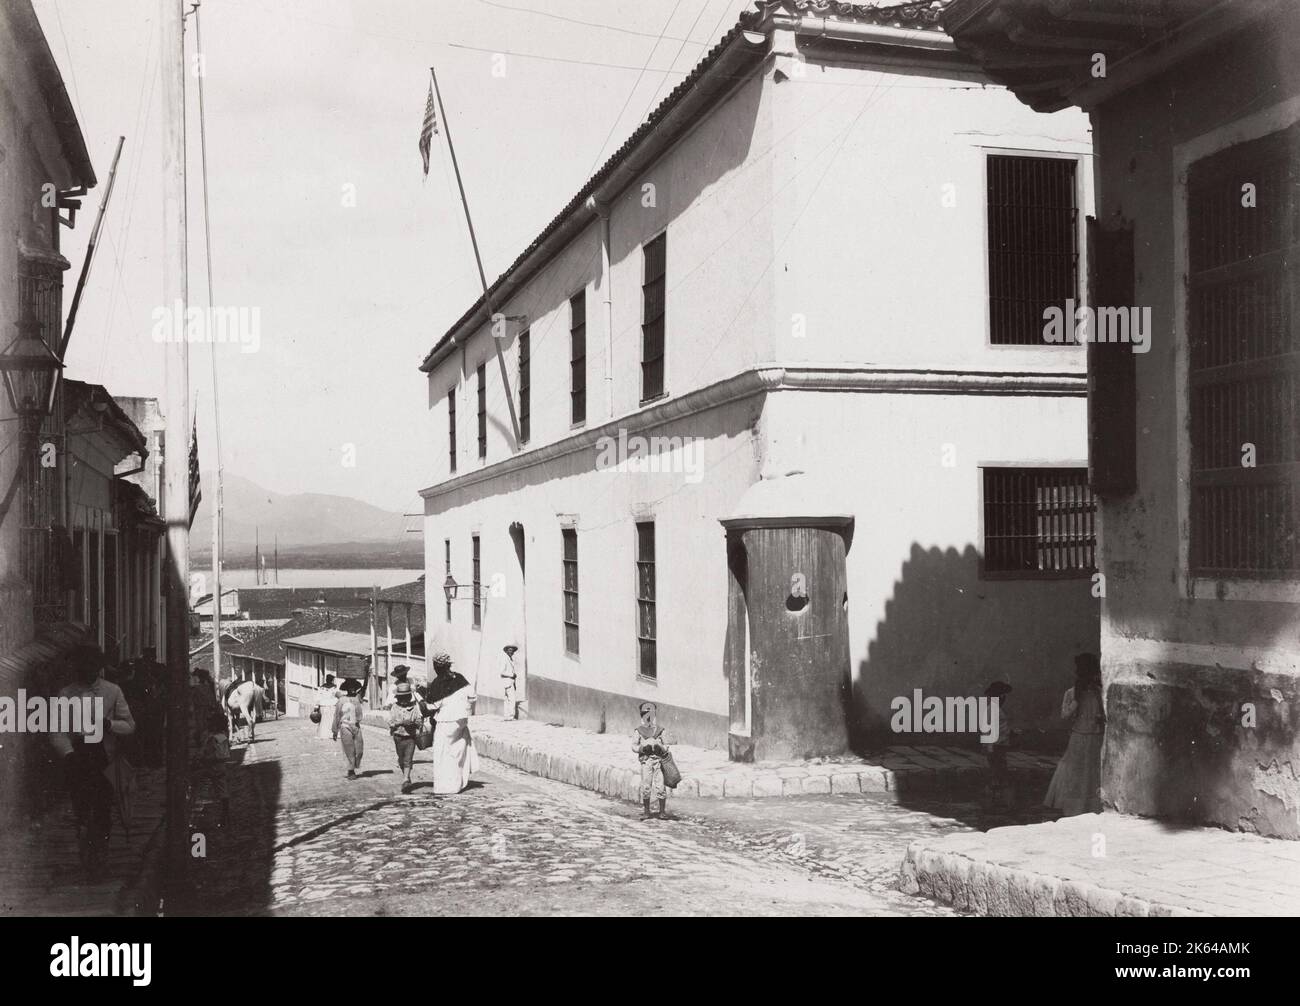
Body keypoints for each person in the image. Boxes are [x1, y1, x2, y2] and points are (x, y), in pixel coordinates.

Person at [49, 644, 136, 876]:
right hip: (78, 758)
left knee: (103, 808)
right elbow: (57, 731)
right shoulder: (66, 694)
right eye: (82, 667)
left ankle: (101, 852)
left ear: (99, 668)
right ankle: (86, 849)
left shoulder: (112, 691)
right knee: (82, 806)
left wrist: (110, 725)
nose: (87, 671)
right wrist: (68, 754)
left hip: (104, 758)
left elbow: (129, 726)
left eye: (92, 666)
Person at [1045, 653, 1106, 816]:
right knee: (1076, 771)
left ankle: (1091, 807)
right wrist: (1077, 701)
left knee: (1092, 772)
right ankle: (1074, 808)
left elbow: (1105, 714)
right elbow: (1064, 715)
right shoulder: (1072, 693)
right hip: (1079, 737)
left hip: (1096, 737)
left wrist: (1100, 717)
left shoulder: (1099, 692)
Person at [426, 652, 478, 794]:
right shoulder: (460, 678)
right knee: (458, 751)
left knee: (443, 753)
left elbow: (432, 706)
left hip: (446, 720)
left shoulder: (438, 682)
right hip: (461, 719)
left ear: (436, 666)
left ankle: (446, 787)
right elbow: (473, 697)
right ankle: (459, 782)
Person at [632, 701, 674, 819]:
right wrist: (642, 748)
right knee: (646, 786)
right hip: (646, 762)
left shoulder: (661, 731)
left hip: (659, 762)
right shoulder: (638, 731)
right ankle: (646, 811)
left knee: (660, 786)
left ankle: (662, 811)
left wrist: (660, 747)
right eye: (646, 714)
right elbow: (634, 746)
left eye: (651, 714)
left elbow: (667, 746)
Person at [191, 708, 232, 827]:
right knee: (221, 790)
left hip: (213, 767)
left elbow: (216, 754)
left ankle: (199, 816)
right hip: (216, 767)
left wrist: (203, 759)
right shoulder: (218, 736)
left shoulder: (216, 737)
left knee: (200, 785)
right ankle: (224, 816)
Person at [387, 680, 429, 793]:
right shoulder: (394, 708)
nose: (404, 700)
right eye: (402, 698)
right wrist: (400, 723)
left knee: (408, 759)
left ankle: (405, 780)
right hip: (398, 736)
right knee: (401, 759)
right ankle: (407, 776)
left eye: (406, 697)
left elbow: (419, 721)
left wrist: (415, 723)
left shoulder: (415, 707)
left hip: (410, 737)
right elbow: (390, 722)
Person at [983, 680, 1013, 811]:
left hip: (1000, 745)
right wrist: (990, 748)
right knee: (997, 772)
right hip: (995, 746)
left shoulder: (997, 710)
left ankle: (997, 800)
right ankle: (994, 801)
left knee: (999, 772)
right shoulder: (992, 710)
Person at [332, 678, 366, 779]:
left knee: (359, 750)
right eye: (350, 687)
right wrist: (335, 730)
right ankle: (351, 770)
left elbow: (364, 688)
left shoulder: (358, 698)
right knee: (348, 749)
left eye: (354, 687)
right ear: (346, 688)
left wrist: (366, 675)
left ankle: (354, 765)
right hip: (345, 727)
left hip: (356, 726)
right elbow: (337, 715)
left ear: (356, 689)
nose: (352, 689)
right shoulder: (341, 700)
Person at [499, 644, 520, 720]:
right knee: (511, 699)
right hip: (507, 682)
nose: (511, 652)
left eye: (512, 651)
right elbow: (501, 672)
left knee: (508, 699)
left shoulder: (510, 659)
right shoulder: (505, 659)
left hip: (509, 682)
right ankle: (511, 716)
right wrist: (512, 675)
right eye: (510, 650)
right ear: (507, 651)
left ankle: (507, 716)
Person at [315, 673, 338, 741]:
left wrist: (316, 706)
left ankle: (323, 734)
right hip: (331, 705)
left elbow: (318, 697)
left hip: (324, 705)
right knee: (331, 719)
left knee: (323, 720)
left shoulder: (321, 687)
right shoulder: (334, 687)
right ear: (332, 680)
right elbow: (336, 697)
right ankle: (330, 734)